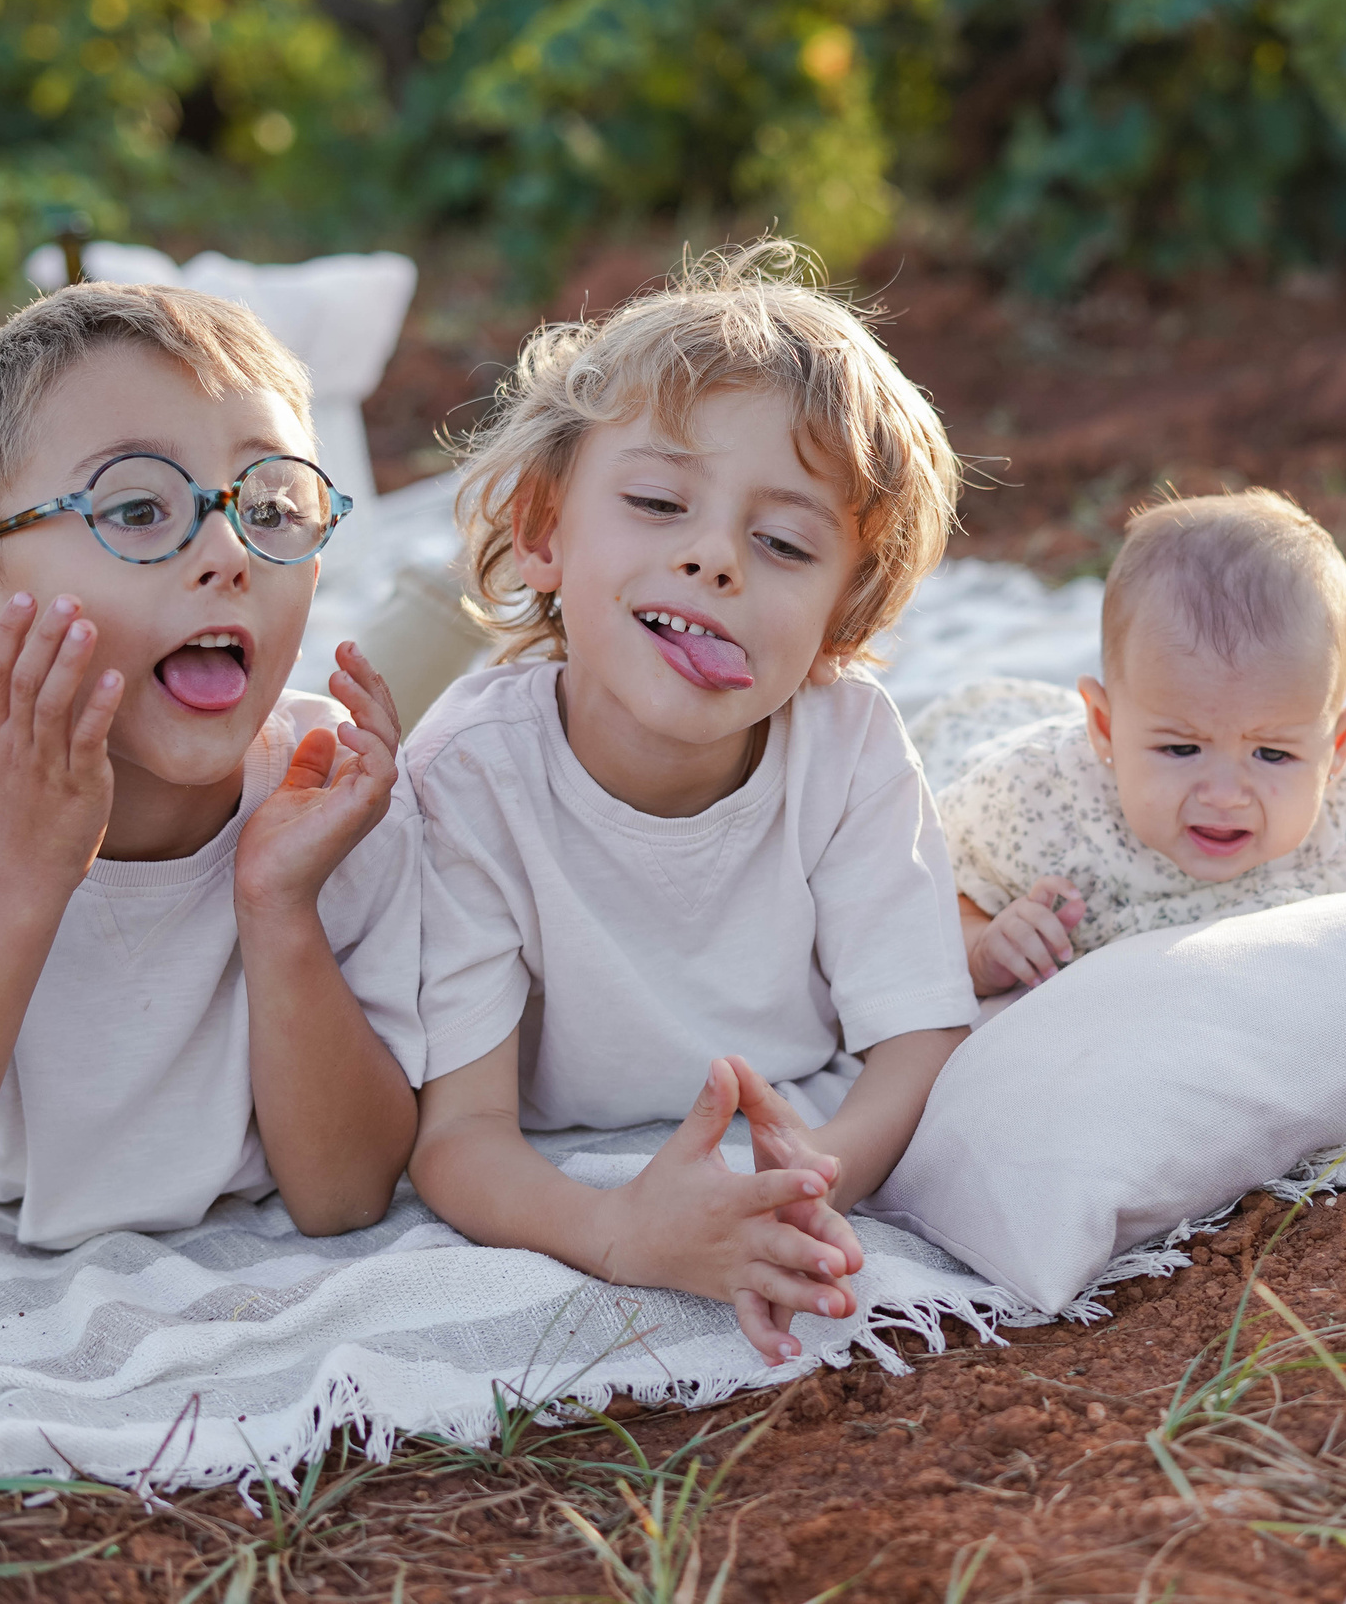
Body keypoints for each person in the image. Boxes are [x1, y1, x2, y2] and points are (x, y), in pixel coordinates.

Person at [405, 243, 974, 1367]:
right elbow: (459, 1137)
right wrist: (618, 1233)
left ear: (840, 620)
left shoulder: (847, 740)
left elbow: (917, 1041)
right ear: (542, 530)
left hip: (800, 1120)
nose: (715, 558)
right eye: (659, 502)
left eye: (783, 543)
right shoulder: (466, 777)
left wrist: (811, 1183)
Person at [0, 283, 422, 1274]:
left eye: (271, 507)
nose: (226, 554)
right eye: (134, 507)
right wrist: (29, 866)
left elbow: (342, 1196)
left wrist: (278, 906)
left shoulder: (328, 793)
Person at [923, 489, 1346, 997]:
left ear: (1337, 749)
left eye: (1273, 754)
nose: (1226, 794)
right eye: (1182, 749)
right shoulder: (1032, 806)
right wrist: (983, 947)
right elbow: (917, 888)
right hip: (990, 736)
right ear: (1104, 728)